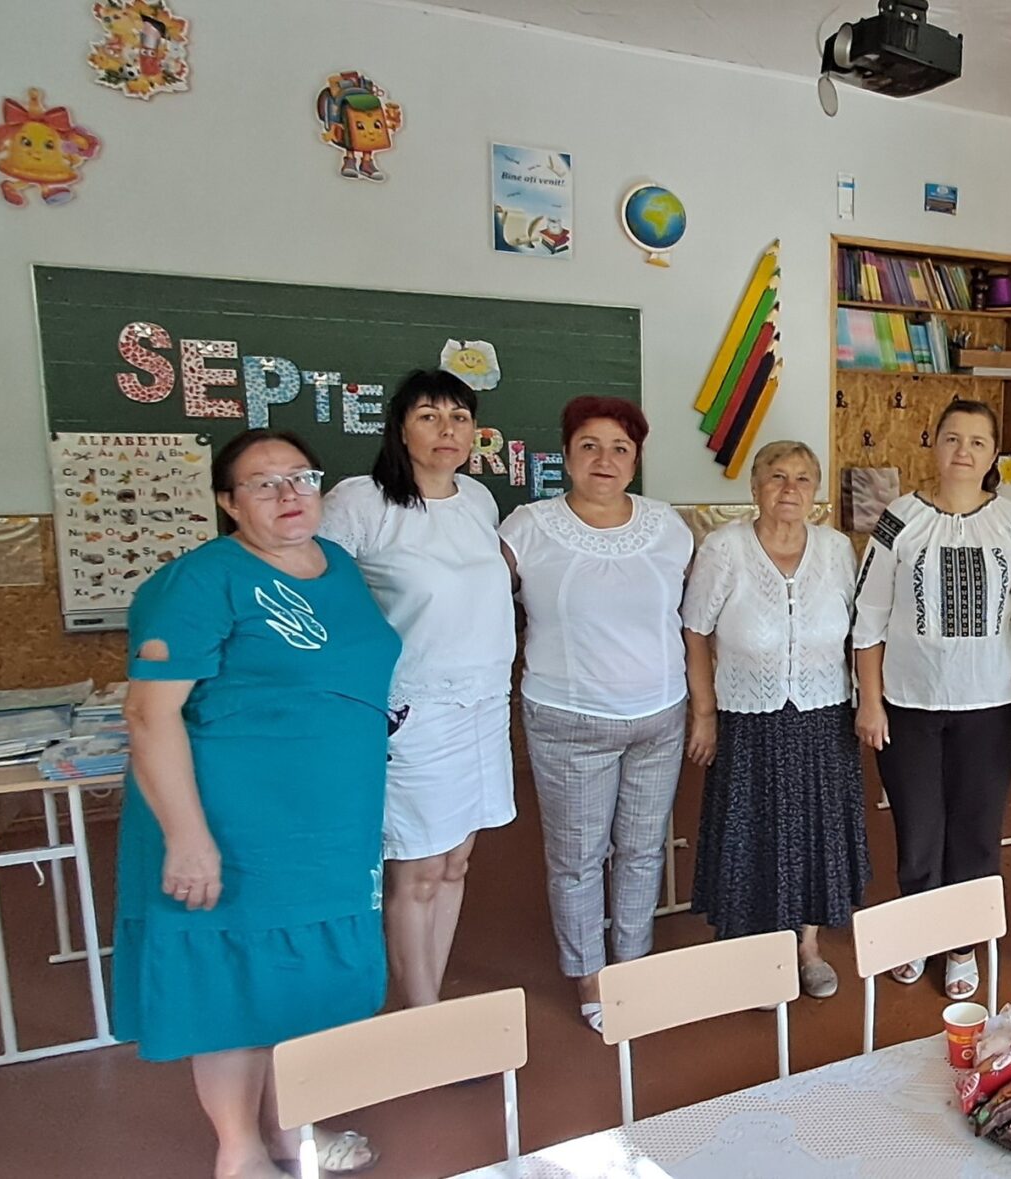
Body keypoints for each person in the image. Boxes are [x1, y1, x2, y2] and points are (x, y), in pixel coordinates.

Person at [115, 428, 399, 1179]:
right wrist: (187, 838)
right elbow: (149, 715)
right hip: (234, 821)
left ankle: (291, 1128)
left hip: (328, 823)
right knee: (235, 981)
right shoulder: (198, 582)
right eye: (263, 483)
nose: (288, 494)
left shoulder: (335, 563)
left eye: (301, 477)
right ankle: (239, 1152)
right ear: (228, 502)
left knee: (301, 982)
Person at [316, 370, 515, 1013]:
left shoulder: (478, 500)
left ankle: (433, 997)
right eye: (429, 416)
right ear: (400, 429)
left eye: (460, 417)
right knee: (418, 868)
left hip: (485, 703)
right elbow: (316, 593)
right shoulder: (362, 502)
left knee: (456, 863)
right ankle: (423, 1013)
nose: (447, 430)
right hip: (416, 708)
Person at [497, 397, 693, 1033]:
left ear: (636, 460)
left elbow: (694, 615)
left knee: (641, 851)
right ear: (566, 455)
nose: (604, 460)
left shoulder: (668, 526)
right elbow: (473, 601)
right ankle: (589, 975)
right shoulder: (527, 527)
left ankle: (631, 966)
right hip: (569, 721)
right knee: (578, 859)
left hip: (660, 717)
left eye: (620, 448)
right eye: (589, 446)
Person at [853, 399, 1011, 1002]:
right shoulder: (900, 519)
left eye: (978, 442)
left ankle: (962, 944)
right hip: (909, 704)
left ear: (994, 455)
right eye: (953, 438)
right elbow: (869, 616)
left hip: (991, 705)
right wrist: (871, 701)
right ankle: (917, 932)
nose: (964, 451)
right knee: (919, 826)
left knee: (977, 829)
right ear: (933, 444)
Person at [683, 440, 866, 998]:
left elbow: (859, 631)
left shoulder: (837, 549)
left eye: (803, 478)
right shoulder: (725, 548)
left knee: (815, 833)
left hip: (823, 717)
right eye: (777, 476)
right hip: (749, 718)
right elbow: (695, 631)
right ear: (755, 487)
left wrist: (867, 700)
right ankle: (755, 952)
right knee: (753, 833)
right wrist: (704, 714)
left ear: (816, 491)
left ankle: (808, 945)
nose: (790, 489)